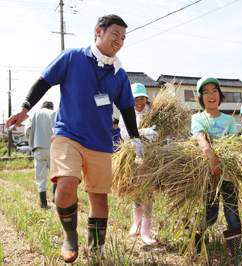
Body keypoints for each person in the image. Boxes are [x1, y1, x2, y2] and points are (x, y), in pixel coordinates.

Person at [6, 15, 144, 263]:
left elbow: (126, 108)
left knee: (99, 199)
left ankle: (96, 249)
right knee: (67, 184)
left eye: (123, 37)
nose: (120, 41)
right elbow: (44, 81)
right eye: (115, 34)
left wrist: (135, 138)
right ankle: (70, 235)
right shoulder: (73, 57)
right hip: (68, 134)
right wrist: (25, 107)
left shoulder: (119, 73)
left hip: (101, 142)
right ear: (98, 32)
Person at [191, 76, 242, 264]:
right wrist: (211, 156)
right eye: (206, 92)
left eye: (214, 91)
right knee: (210, 215)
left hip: (228, 174)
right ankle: (195, 236)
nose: (211, 95)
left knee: (232, 213)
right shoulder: (198, 117)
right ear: (200, 97)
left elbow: (234, 145)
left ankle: (237, 253)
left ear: (220, 95)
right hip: (208, 173)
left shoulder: (229, 119)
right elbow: (200, 137)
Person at [128, 83, 157, 244]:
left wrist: (155, 135)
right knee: (135, 192)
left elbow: (160, 135)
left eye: (142, 98)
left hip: (149, 161)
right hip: (132, 160)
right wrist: (140, 133)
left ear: (146, 99)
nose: (139, 102)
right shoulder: (128, 114)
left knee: (148, 195)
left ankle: (146, 232)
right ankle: (136, 224)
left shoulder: (153, 115)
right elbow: (125, 135)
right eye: (136, 98)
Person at [25, 100, 57, 208]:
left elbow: (27, 130)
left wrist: (32, 140)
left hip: (38, 148)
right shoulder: (54, 113)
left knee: (40, 177)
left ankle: (43, 203)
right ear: (51, 107)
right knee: (55, 174)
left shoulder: (34, 114)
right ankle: (55, 198)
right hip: (53, 148)